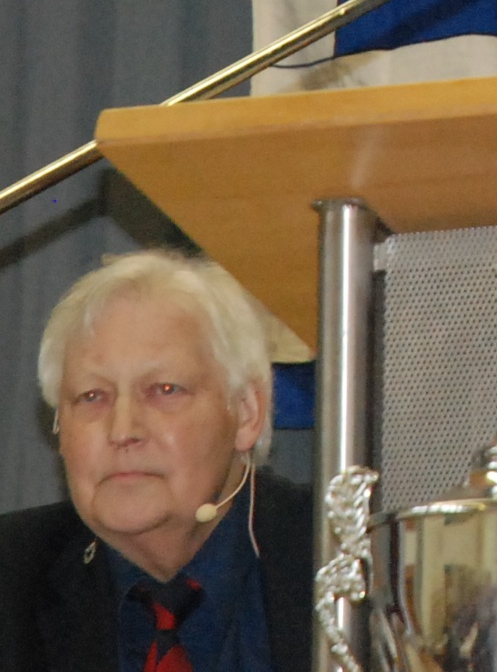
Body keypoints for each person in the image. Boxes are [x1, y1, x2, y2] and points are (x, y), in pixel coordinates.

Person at [0, 251, 312, 671]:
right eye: (92, 397)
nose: (122, 430)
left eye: (165, 390)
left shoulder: (346, 557)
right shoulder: (12, 576)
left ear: (246, 413)